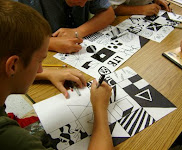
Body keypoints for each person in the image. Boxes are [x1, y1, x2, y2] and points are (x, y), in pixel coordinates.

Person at [0, 1, 114, 150]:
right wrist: (100, 109)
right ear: (13, 66)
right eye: (40, 61)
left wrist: (48, 74)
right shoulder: (10, 138)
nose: (41, 70)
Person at [17, 0, 115, 54]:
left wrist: (78, 31)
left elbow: (108, 13)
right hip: (40, 57)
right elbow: (11, 38)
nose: (83, 5)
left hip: (77, 53)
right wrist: (48, 43)